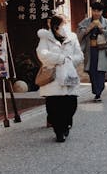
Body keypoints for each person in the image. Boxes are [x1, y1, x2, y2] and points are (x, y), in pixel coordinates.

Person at [36, 14, 84, 142]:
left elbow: (79, 56)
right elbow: (42, 54)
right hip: (53, 77)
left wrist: (68, 60)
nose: (65, 27)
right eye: (63, 24)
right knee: (53, 106)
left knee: (71, 103)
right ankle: (58, 131)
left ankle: (67, 124)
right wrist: (59, 59)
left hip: (69, 75)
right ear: (55, 26)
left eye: (66, 24)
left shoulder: (72, 37)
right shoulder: (45, 38)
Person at [77, 1, 107, 102]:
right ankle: (96, 91)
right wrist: (88, 29)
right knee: (92, 71)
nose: (96, 13)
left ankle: (98, 93)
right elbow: (79, 37)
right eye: (94, 10)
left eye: (99, 11)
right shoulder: (85, 22)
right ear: (91, 10)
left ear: (102, 12)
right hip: (90, 50)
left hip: (101, 50)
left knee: (101, 71)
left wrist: (102, 29)